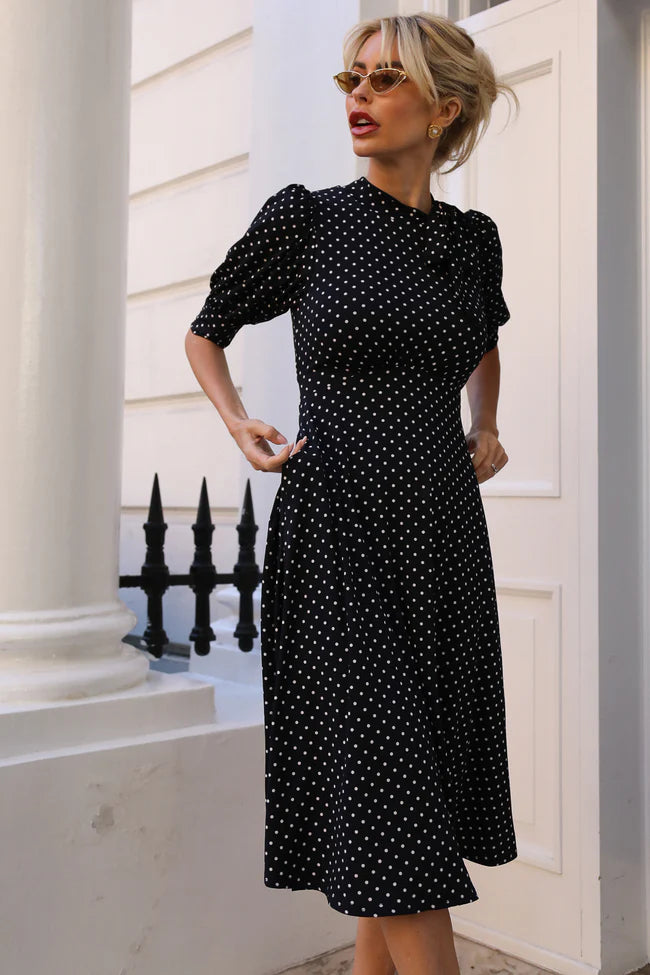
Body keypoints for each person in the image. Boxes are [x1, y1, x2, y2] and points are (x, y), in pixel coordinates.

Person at [185, 11, 521, 975]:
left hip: (442, 537)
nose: (359, 97)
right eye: (351, 79)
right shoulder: (309, 219)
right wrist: (238, 420)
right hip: (338, 533)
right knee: (393, 805)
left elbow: (483, 337)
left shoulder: (472, 241)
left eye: (384, 79)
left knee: (402, 806)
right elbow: (206, 330)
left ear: (442, 109)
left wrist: (486, 423)